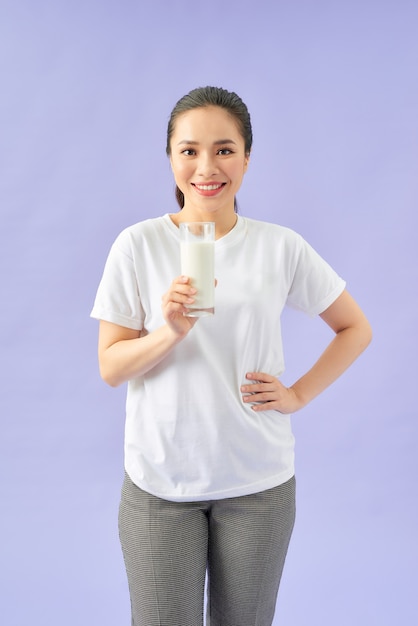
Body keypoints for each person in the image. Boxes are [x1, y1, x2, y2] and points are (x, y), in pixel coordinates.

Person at [91, 86, 372, 626]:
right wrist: (168, 332)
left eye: (224, 149)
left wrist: (298, 394)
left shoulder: (280, 246)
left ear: (246, 157)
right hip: (160, 485)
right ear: (171, 158)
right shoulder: (138, 245)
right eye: (189, 150)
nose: (206, 167)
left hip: (258, 485)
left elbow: (354, 327)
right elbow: (110, 367)